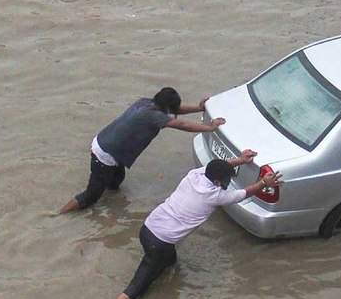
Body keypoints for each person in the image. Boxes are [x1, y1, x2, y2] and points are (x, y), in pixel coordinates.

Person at [117, 152, 282, 299]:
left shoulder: (195, 175)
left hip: (148, 227)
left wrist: (240, 160)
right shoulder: (214, 195)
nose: (227, 184)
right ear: (217, 182)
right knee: (134, 289)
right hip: (160, 242)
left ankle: (165, 275)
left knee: (170, 263)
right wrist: (263, 183)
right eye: (226, 181)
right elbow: (243, 194)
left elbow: (216, 165)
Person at [58, 87, 224, 214]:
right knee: (91, 197)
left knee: (116, 181)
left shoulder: (146, 102)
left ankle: (112, 207)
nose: (174, 111)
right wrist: (209, 128)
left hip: (108, 145)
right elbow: (182, 124)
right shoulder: (154, 116)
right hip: (105, 154)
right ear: (166, 107)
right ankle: (59, 214)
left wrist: (198, 108)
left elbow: (175, 111)